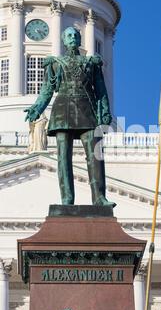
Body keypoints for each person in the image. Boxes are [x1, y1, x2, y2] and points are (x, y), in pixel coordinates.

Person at [24, 27, 114, 207]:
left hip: (87, 110)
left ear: (80, 39)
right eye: (69, 36)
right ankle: (67, 199)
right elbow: (47, 90)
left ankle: (99, 198)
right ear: (64, 41)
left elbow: (101, 90)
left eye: (75, 35)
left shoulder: (91, 63)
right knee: (63, 157)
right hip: (62, 110)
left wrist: (105, 111)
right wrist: (37, 107)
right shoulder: (55, 63)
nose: (72, 38)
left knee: (95, 156)